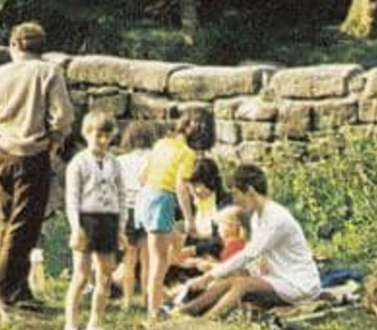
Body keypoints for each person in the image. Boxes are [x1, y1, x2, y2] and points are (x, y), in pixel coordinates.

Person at [0, 21, 73, 312]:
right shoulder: (48, 72)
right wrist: (55, 140)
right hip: (33, 154)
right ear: (40, 46)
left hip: (4, 153)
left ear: (14, 45)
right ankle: (9, 290)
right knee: (24, 225)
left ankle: (4, 280)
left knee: (6, 219)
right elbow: (64, 115)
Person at [176, 163, 320, 319]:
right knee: (231, 281)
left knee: (242, 285)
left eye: (237, 194)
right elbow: (255, 259)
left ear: (250, 191)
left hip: (299, 284)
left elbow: (249, 254)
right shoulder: (257, 217)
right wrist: (214, 276)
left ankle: (207, 320)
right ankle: (185, 311)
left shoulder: (277, 219)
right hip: (279, 278)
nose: (235, 200)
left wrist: (209, 276)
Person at [62, 110, 125, 330]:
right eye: (98, 135)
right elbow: (72, 198)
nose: (102, 141)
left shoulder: (114, 163)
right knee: (81, 275)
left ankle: (95, 322)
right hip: (86, 218)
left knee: (106, 274)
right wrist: (75, 228)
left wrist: (120, 229)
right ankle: (70, 326)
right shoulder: (78, 163)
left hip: (108, 219)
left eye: (107, 136)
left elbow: (121, 195)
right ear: (87, 134)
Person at [135, 111, 206, 319]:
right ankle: (153, 314)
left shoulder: (161, 143)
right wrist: (190, 220)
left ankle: (160, 298)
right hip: (161, 200)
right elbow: (180, 187)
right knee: (158, 263)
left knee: (170, 247)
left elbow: (142, 176)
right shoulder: (187, 153)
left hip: (145, 196)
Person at [113, 121, 158, 311]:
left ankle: (127, 300)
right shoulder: (155, 158)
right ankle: (147, 300)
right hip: (148, 208)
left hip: (128, 210)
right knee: (148, 259)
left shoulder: (120, 161)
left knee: (129, 259)